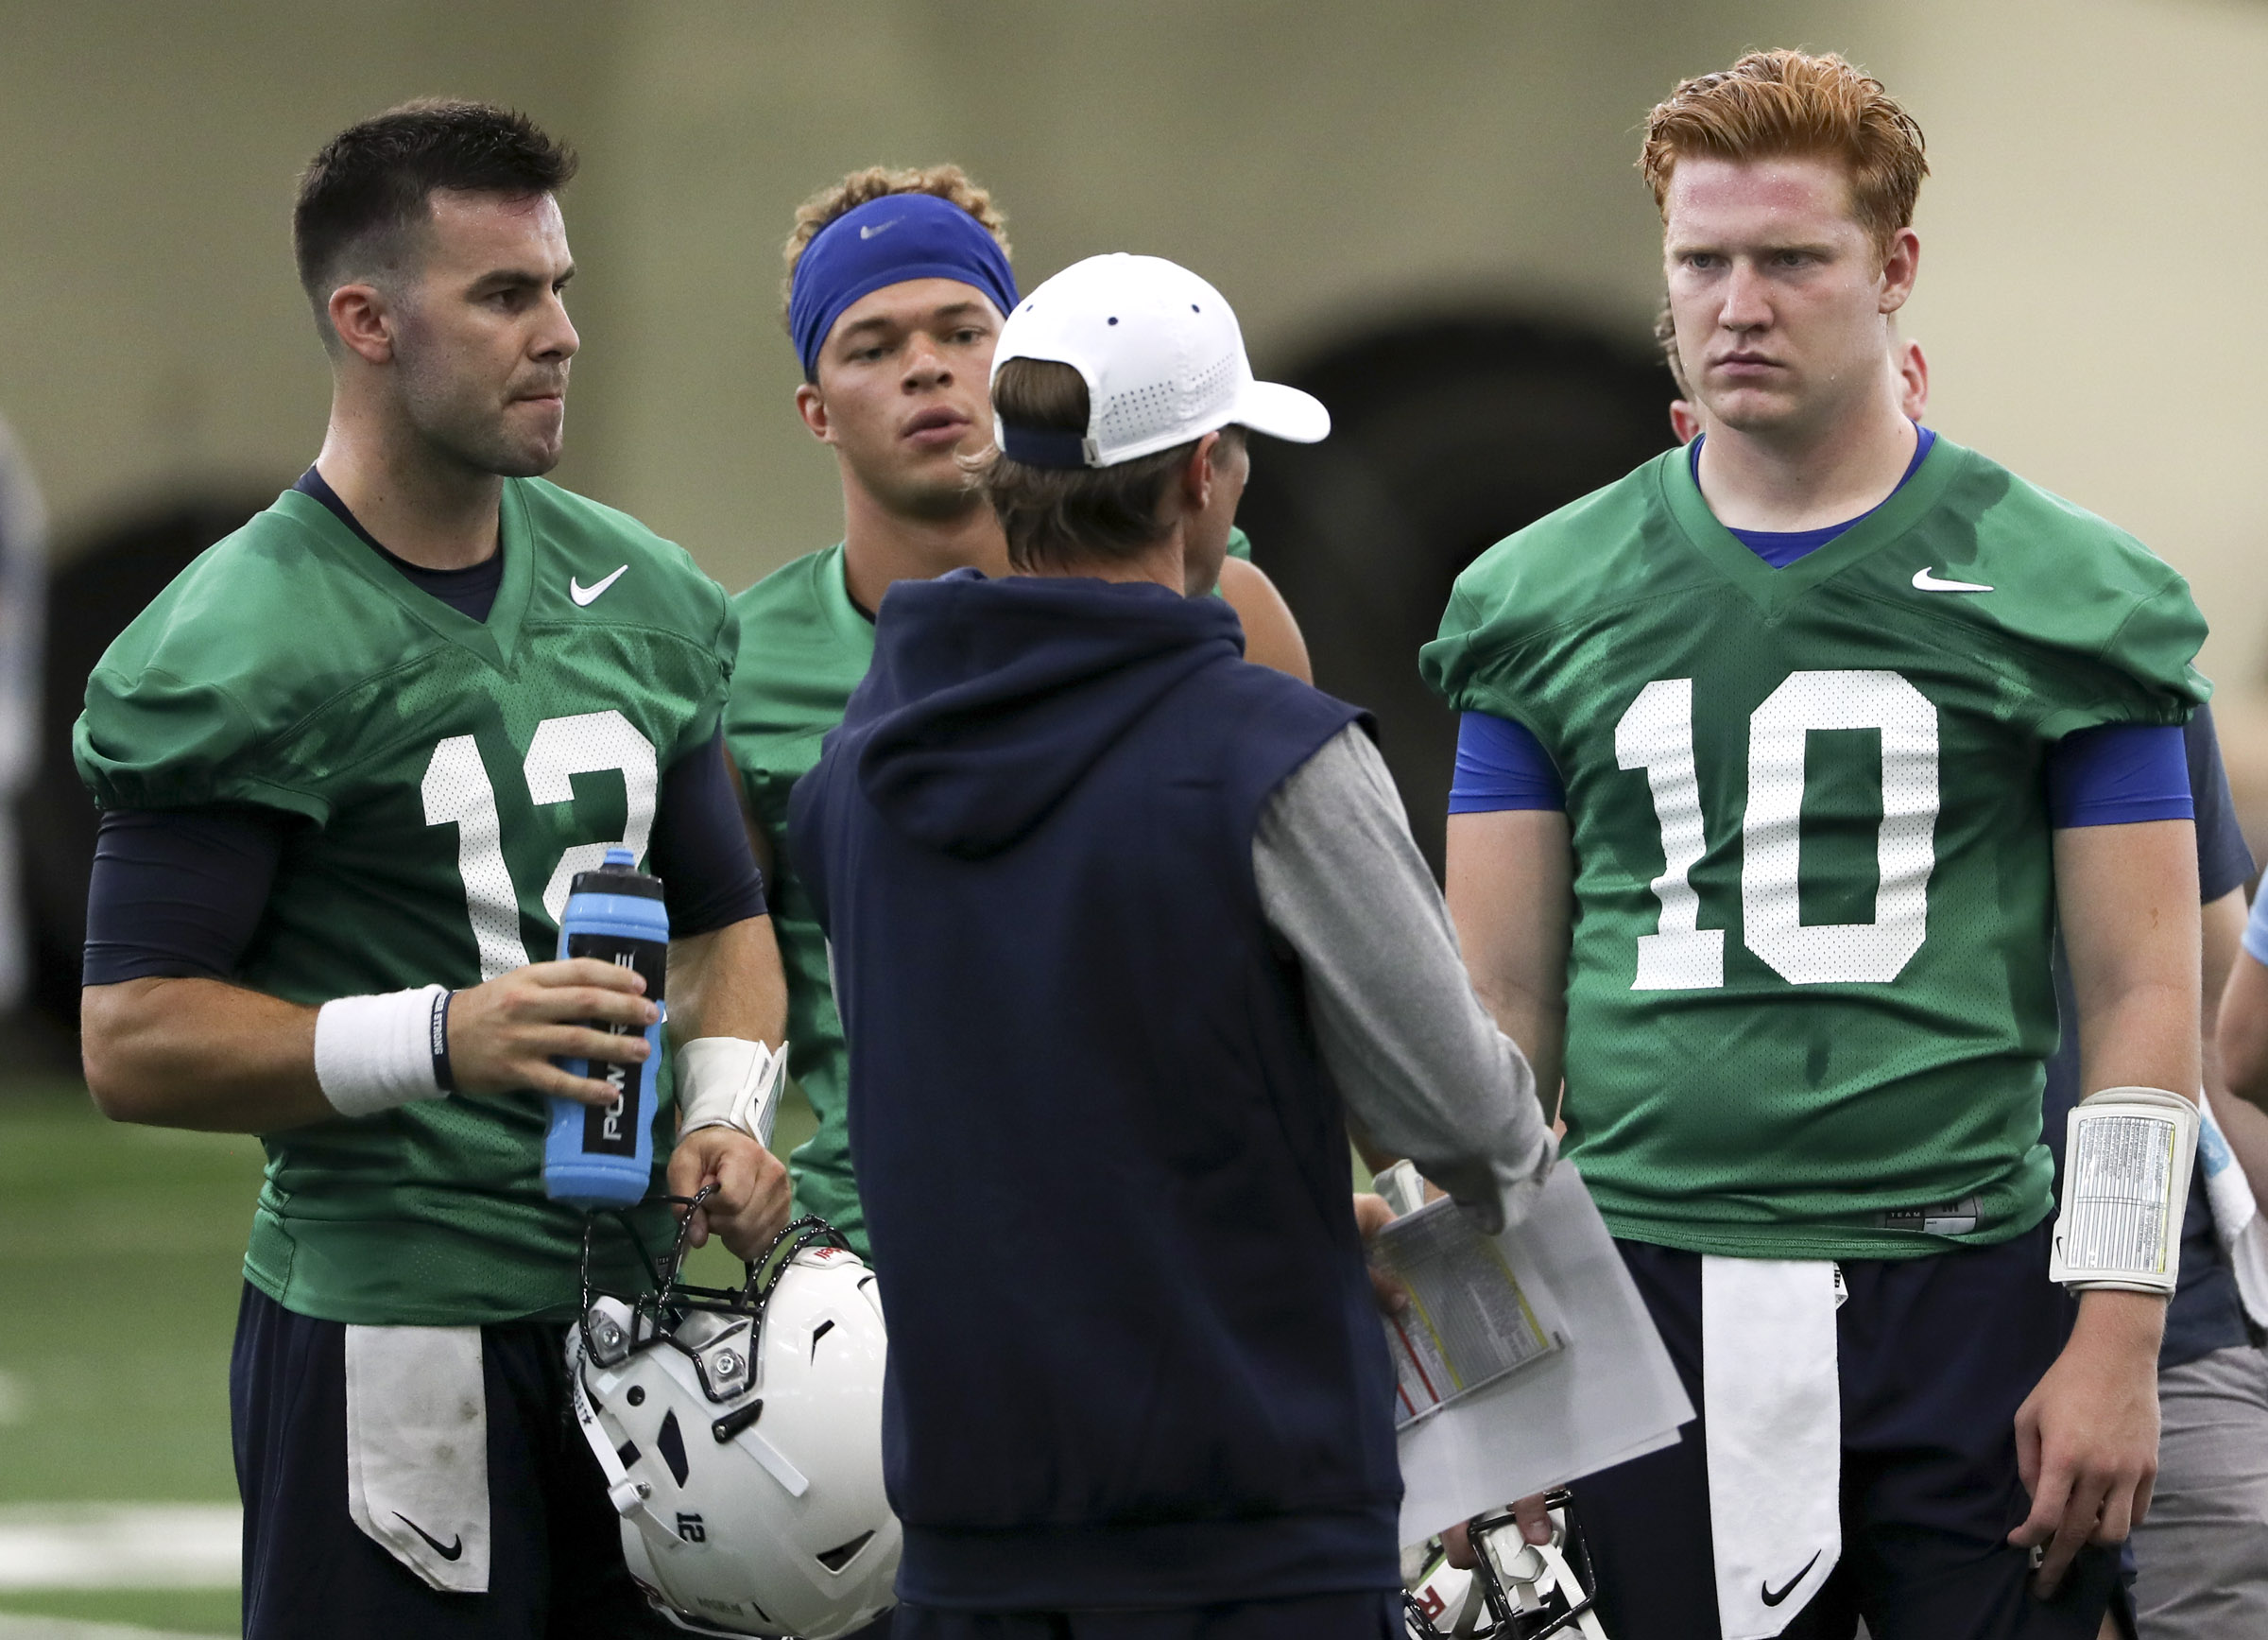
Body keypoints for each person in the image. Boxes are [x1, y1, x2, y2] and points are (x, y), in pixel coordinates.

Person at [1425, 50, 2208, 1640]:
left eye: (1792, 259)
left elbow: (2142, 993)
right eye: (1702, 263)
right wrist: (1479, 1373)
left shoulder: (2071, 588)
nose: (1740, 304)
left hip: (1964, 1274)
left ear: (1894, 270)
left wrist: (2121, 1331)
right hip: (1649, 1284)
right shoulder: (1536, 596)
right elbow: (1491, 1016)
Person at [73, 101, 791, 1639]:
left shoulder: (642, 590)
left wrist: (726, 1114)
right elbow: (132, 1038)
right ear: (368, 320)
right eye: (507, 294)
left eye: (561, 287)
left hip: (636, 1320)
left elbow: (727, 919)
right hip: (391, 1333)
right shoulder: (240, 638)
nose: (562, 334)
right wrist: (447, 1034)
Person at [790, 252, 1554, 1638]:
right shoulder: (1267, 750)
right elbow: (1468, 1117)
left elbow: (1019, 1118)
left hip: (967, 1548)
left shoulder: (850, 776)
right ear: (1203, 472)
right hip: (1245, 1545)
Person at [726, 165, 1314, 1262]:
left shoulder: (1218, 596)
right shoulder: (740, 665)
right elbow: (724, 951)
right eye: (872, 346)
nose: (927, 368)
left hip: (1178, 1223)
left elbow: (1318, 936)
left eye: (962, 328)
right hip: (879, 1250)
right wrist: (723, 1122)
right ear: (817, 411)